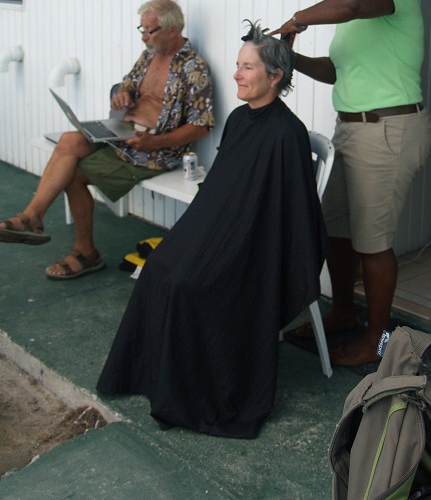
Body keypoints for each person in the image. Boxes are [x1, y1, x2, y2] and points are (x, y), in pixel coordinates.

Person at [96, 22, 328, 438]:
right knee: (158, 269)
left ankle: (188, 390)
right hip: (223, 227)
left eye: (247, 68)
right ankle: (154, 377)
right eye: (238, 65)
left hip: (255, 245)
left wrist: (227, 244)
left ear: (275, 76)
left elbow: (286, 216)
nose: (236, 74)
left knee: (188, 285)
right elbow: (222, 188)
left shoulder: (285, 134)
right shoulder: (240, 119)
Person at [272, 0, 431, 367]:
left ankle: (377, 341)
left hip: (388, 130)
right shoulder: (353, 15)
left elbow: (350, 5)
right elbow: (336, 71)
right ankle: (344, 311)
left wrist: (297, 20)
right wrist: (291, 58)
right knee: (336, 230)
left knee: (373, 241)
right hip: (352, 130)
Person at [0, 0, 214, 277]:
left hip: (153, 151)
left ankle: (85, 254)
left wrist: (154, 142)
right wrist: (122, 94)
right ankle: (31, 217)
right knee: (69, 140)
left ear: (172, 29)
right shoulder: (149, 55)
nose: (144, 36)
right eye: (142, 29)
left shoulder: (194, 68)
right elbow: (129, 83)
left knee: (74, 175)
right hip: (122, 135)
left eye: (149, 31)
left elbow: (201, 125)